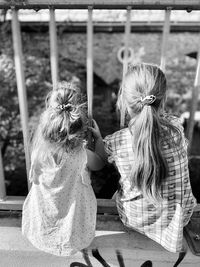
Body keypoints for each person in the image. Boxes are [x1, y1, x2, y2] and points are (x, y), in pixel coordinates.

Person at [104, 63, 197, 254]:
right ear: (162, 100)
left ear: (124, 100)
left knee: (115, 193)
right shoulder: (177, 130)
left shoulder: (117, 141)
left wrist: (97, 139)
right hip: (181, 217)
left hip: (136, 220)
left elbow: (98, 161)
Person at [22, 82, 105, 257]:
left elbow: (35, 180)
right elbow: (100, 164)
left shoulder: (38, 152)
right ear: (78, 121)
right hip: (74, 226)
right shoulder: (83, 155)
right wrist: (98, 140)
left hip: (44, 222)